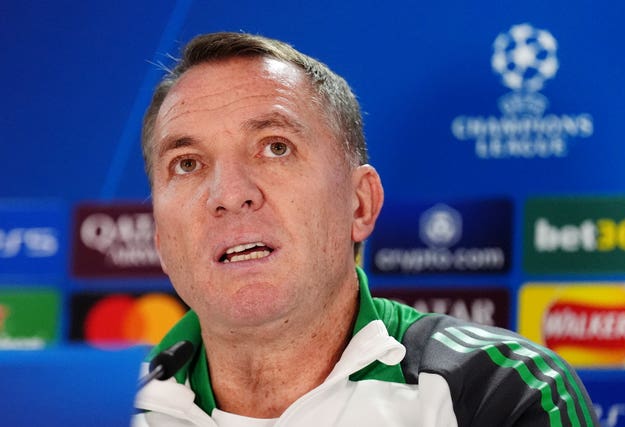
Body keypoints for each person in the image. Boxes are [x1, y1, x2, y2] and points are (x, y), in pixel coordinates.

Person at [133, 32, 597, 426]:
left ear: (360, 204)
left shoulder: (503, 388)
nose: (230, 193)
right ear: (160, 235)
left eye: (275, 147)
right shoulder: (94, 406)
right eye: (187, 163)